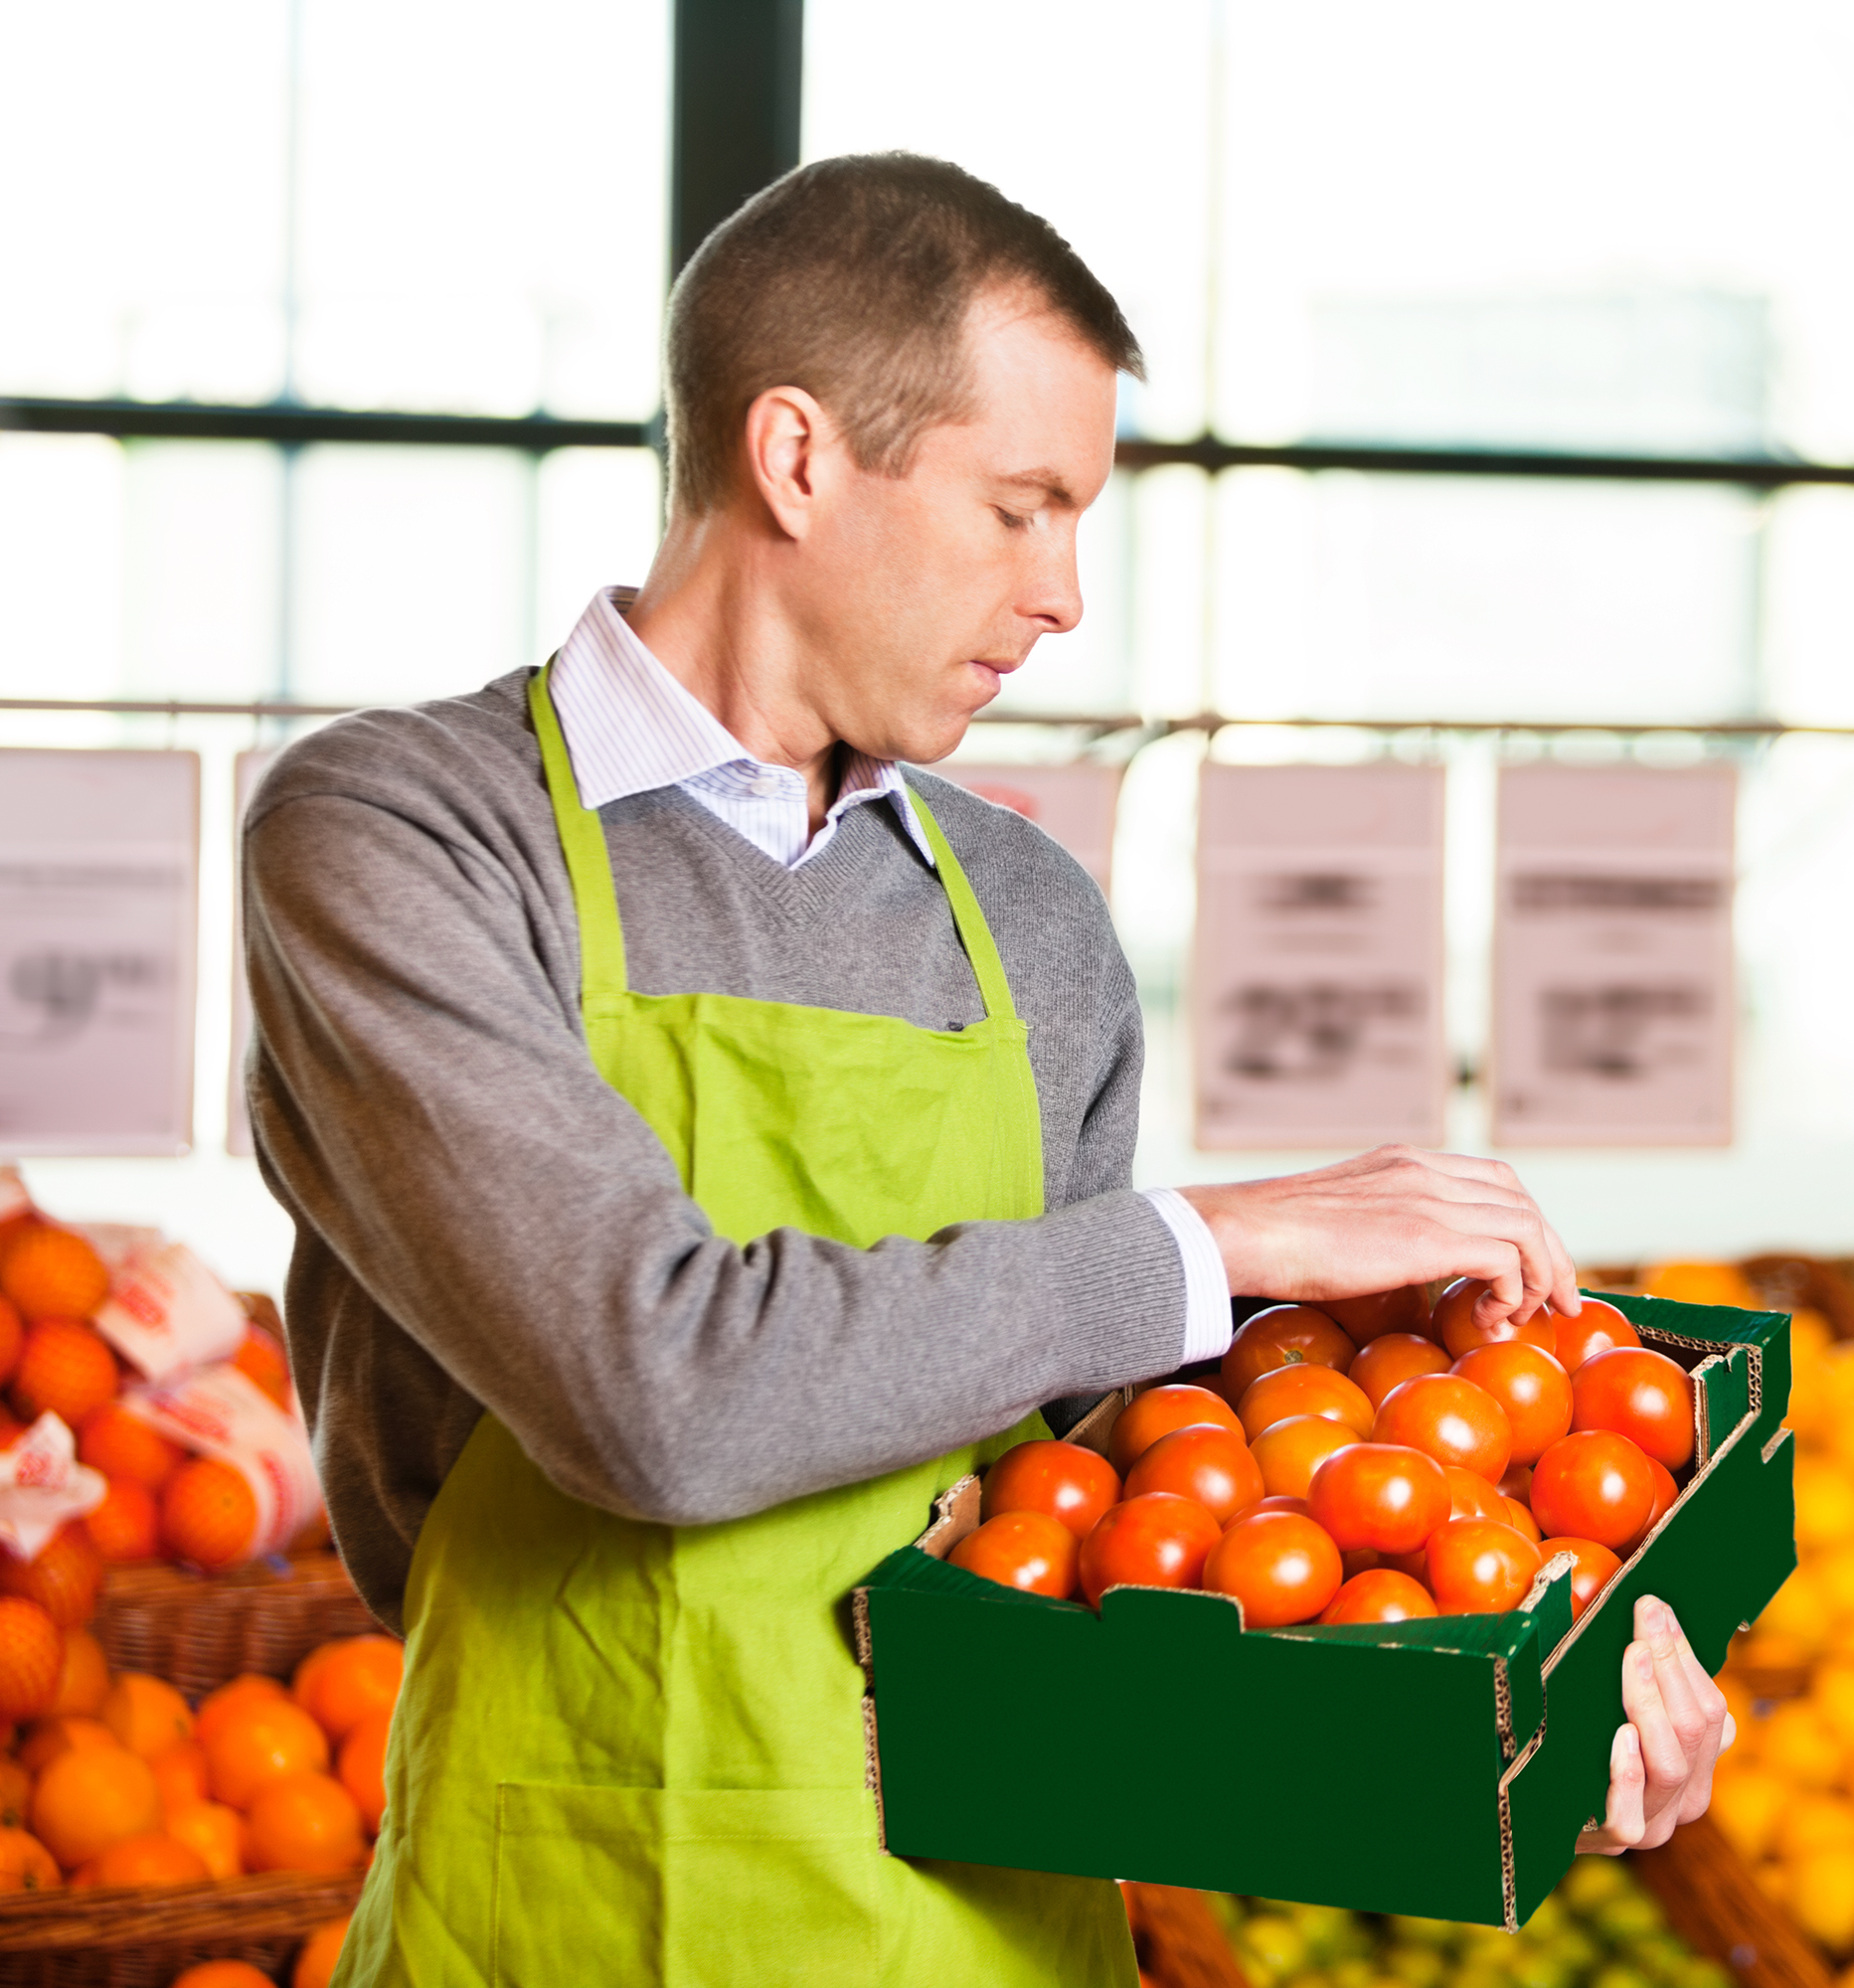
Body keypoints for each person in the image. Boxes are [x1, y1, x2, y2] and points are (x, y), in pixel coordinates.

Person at [243, 153, 1730, 1986]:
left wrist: (1482, 1719)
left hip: (987, 1937)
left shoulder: (1026, 912)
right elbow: (653, 1385)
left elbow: (1102, 1519)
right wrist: (1219, 1240)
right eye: (1022, 509)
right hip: (562, 1894)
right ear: (797, 457)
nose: (1064, 596)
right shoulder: (406, 835)